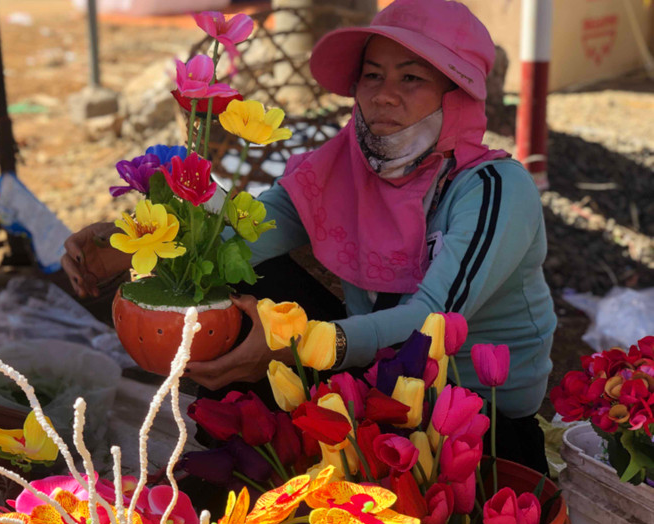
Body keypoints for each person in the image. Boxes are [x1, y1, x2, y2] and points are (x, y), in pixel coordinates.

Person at [62, 0, 556, 474]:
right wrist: (132, 245)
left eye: (412, 77)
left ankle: (290, 469)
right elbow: (237, 238)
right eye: (373, 75)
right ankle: (250, 464)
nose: (384, 94)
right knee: (242, 279)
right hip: (370, 386)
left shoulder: (493, 189)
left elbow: (430, 327)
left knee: (274, 322)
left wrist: (298, 346)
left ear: (457, 94)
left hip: (475, 426)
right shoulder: (345, 166)